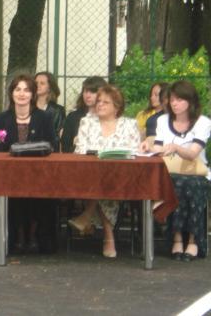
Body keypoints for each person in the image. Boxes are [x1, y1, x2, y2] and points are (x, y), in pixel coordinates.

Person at [69, 84, 140, 258]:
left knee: (108, 178)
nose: (99, 104)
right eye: (99, 101)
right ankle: (108, 236)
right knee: (101, 178)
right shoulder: (87, 123)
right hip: (90, 174)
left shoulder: (129, 125)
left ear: (117, 107)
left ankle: (88, 214)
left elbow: (134, 151)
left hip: (122, 176)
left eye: (105, 102)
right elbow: (80, 149)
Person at [0, 74, 58, 254]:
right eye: (17, 89)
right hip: (8, 174)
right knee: (5, 191)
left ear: (33, 94)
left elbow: (52, 145)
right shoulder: (1, 118)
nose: (21, 94)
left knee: (43, 192)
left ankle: (35, 236)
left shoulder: (44, 117)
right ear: (11, 93)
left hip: (38, 174)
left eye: (26, 90)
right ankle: (14, 237)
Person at [146, 80, 210, 261]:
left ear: (191, 101)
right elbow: (158, 149)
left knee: (188, 184)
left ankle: (192, 240)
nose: (174, 103)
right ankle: (177, 238)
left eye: (179, 99)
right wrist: (148, 146)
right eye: (172, 99)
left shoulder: (203, 122)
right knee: (175, 182)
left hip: (195, 172)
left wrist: (175, 147)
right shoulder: (162, 120)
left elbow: (193, 154)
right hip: (170, 172)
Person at [60, 76, 107, 153]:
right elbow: (65, 148)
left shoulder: (109, 117)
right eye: (85, 91)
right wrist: (77, 144)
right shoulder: (73, 117)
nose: (88, 96)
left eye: (92, 92)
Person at [35, 71, 66, 150]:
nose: (38, 85)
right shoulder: (27, 107)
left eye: (42, 83)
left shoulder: (58, 110)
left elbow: (58, 137)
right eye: (36, 83)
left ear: (49, 87)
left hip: (49, 151)